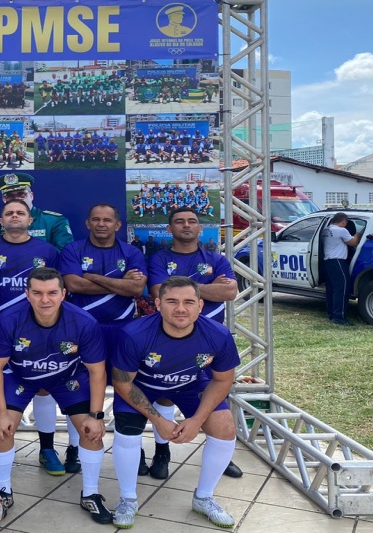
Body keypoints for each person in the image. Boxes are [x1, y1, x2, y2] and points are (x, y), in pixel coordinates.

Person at [110, 277, 239, 528]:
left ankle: (204, 498)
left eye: (188, 302)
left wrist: (196, 421)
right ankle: (128, 499)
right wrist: (159, 421)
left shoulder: (218, 334)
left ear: (200, 305)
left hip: (189, 384)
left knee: (224, 427)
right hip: (142, 386)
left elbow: (223, 380)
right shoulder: (134, 333)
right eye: (172, 301)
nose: (180, 309)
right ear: (158, 304)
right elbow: (122, 382)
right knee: (127, 430)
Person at [0, 268, 113, 524]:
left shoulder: (83, 321)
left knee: (92, 431)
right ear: (27, 294)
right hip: (20, 376)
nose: (45, 300)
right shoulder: (8, 320)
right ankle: (3, 492)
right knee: (2, 429)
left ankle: (90, 494)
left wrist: (96, 416)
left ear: (63, 294)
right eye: (38, 293)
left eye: (52, 293)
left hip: (67, 378)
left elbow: (97, 372)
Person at [146, 206, 242, 480]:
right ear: (169, 229)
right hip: (170, 339)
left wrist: (180, 287)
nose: (186, 225)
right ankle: (162, 451)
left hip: (210, 343)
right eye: (179, 221)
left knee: (218, 391)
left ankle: (221, 452)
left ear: (200, 228)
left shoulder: (216, 259)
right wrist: (208, 286)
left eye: (192, 221)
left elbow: (230, 291)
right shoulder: (159, 258)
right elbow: (158, 292)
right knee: (165, 393)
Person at [0, 199, 60, 473]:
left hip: (39, 332)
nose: (15, 216)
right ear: (1, 221)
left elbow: (56, 292)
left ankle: (47, 448)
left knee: (43, 386)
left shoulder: (47, 250)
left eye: (21, 213)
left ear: (31, 220)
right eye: (9, 213)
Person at [60, 204, 148, 473]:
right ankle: (75, 446)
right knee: (79, 387)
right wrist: (119, 282)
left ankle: (133, 446)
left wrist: (92, 277)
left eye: (107, 220)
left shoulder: (131, 252)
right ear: (87, 223)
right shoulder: (73, 249)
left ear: (117, 225)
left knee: (127, 388)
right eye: (96, 219)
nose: (101, 224)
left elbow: (136, 288)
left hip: (122, 331)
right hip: (82, 331)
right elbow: (73, 284)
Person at [0, 172, 73, 252]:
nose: (16, 199)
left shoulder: (54, 221)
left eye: (21, 194)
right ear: (4, 199)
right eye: (10, 196)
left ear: (31, 196)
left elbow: (65, 252)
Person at [322, 212, 362, 326]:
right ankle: (339, 317)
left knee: (331, 289)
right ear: (344, 221)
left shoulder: (326, 230)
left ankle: (332, 314)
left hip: (328, 261)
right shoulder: (341, 230)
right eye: (346, 222)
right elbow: (353, 243)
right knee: (342, 289)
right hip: (338, 261)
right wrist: (358, 235)